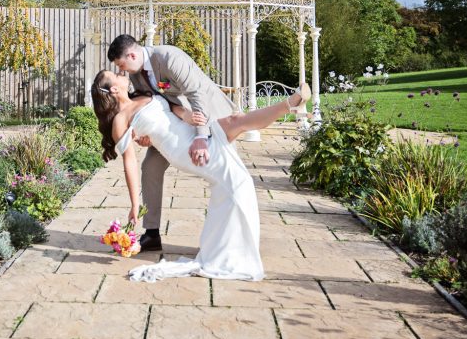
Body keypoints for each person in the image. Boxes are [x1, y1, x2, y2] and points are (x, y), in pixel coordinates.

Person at [91, 70, 310, 281]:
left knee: (237, 121)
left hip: (195, 132)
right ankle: (228, 248)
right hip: (183, 148)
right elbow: (130, 161)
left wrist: (190, 116)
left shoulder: (142, 95)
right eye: (116, 76)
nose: (122, 75)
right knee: (238, 181)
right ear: (112, 91)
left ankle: (291, 104)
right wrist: (134, 204)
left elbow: (174, 110)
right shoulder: (120, 120)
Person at [107, 34, 235, 252]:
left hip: (208, 114)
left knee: (223, 171)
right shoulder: (136, 75)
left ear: (132, 54)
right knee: (150, 167)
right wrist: (146, 135)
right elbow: (151, 101)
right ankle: (152, 233)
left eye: (122, 65)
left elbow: (196, 93)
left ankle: (229, 235)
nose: (123, 71)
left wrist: (201, 137)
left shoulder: (169, 57)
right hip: (174, 122)